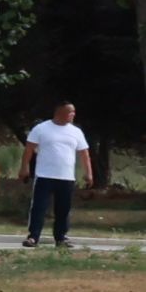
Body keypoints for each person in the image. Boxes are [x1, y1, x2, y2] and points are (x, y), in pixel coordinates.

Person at [27, 101, 90, 247]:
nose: (73, 114)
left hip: (66, 177)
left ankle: (61, 237)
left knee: (63, 209)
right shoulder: (41, 128)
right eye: (70, 112)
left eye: (74, 112)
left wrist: (88, 173)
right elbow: (29, 149)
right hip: (44, 175)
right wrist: (24, 167)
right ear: (59, 112)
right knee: (39, 207)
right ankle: (33, 237)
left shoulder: (76, 132)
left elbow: (84, 153)